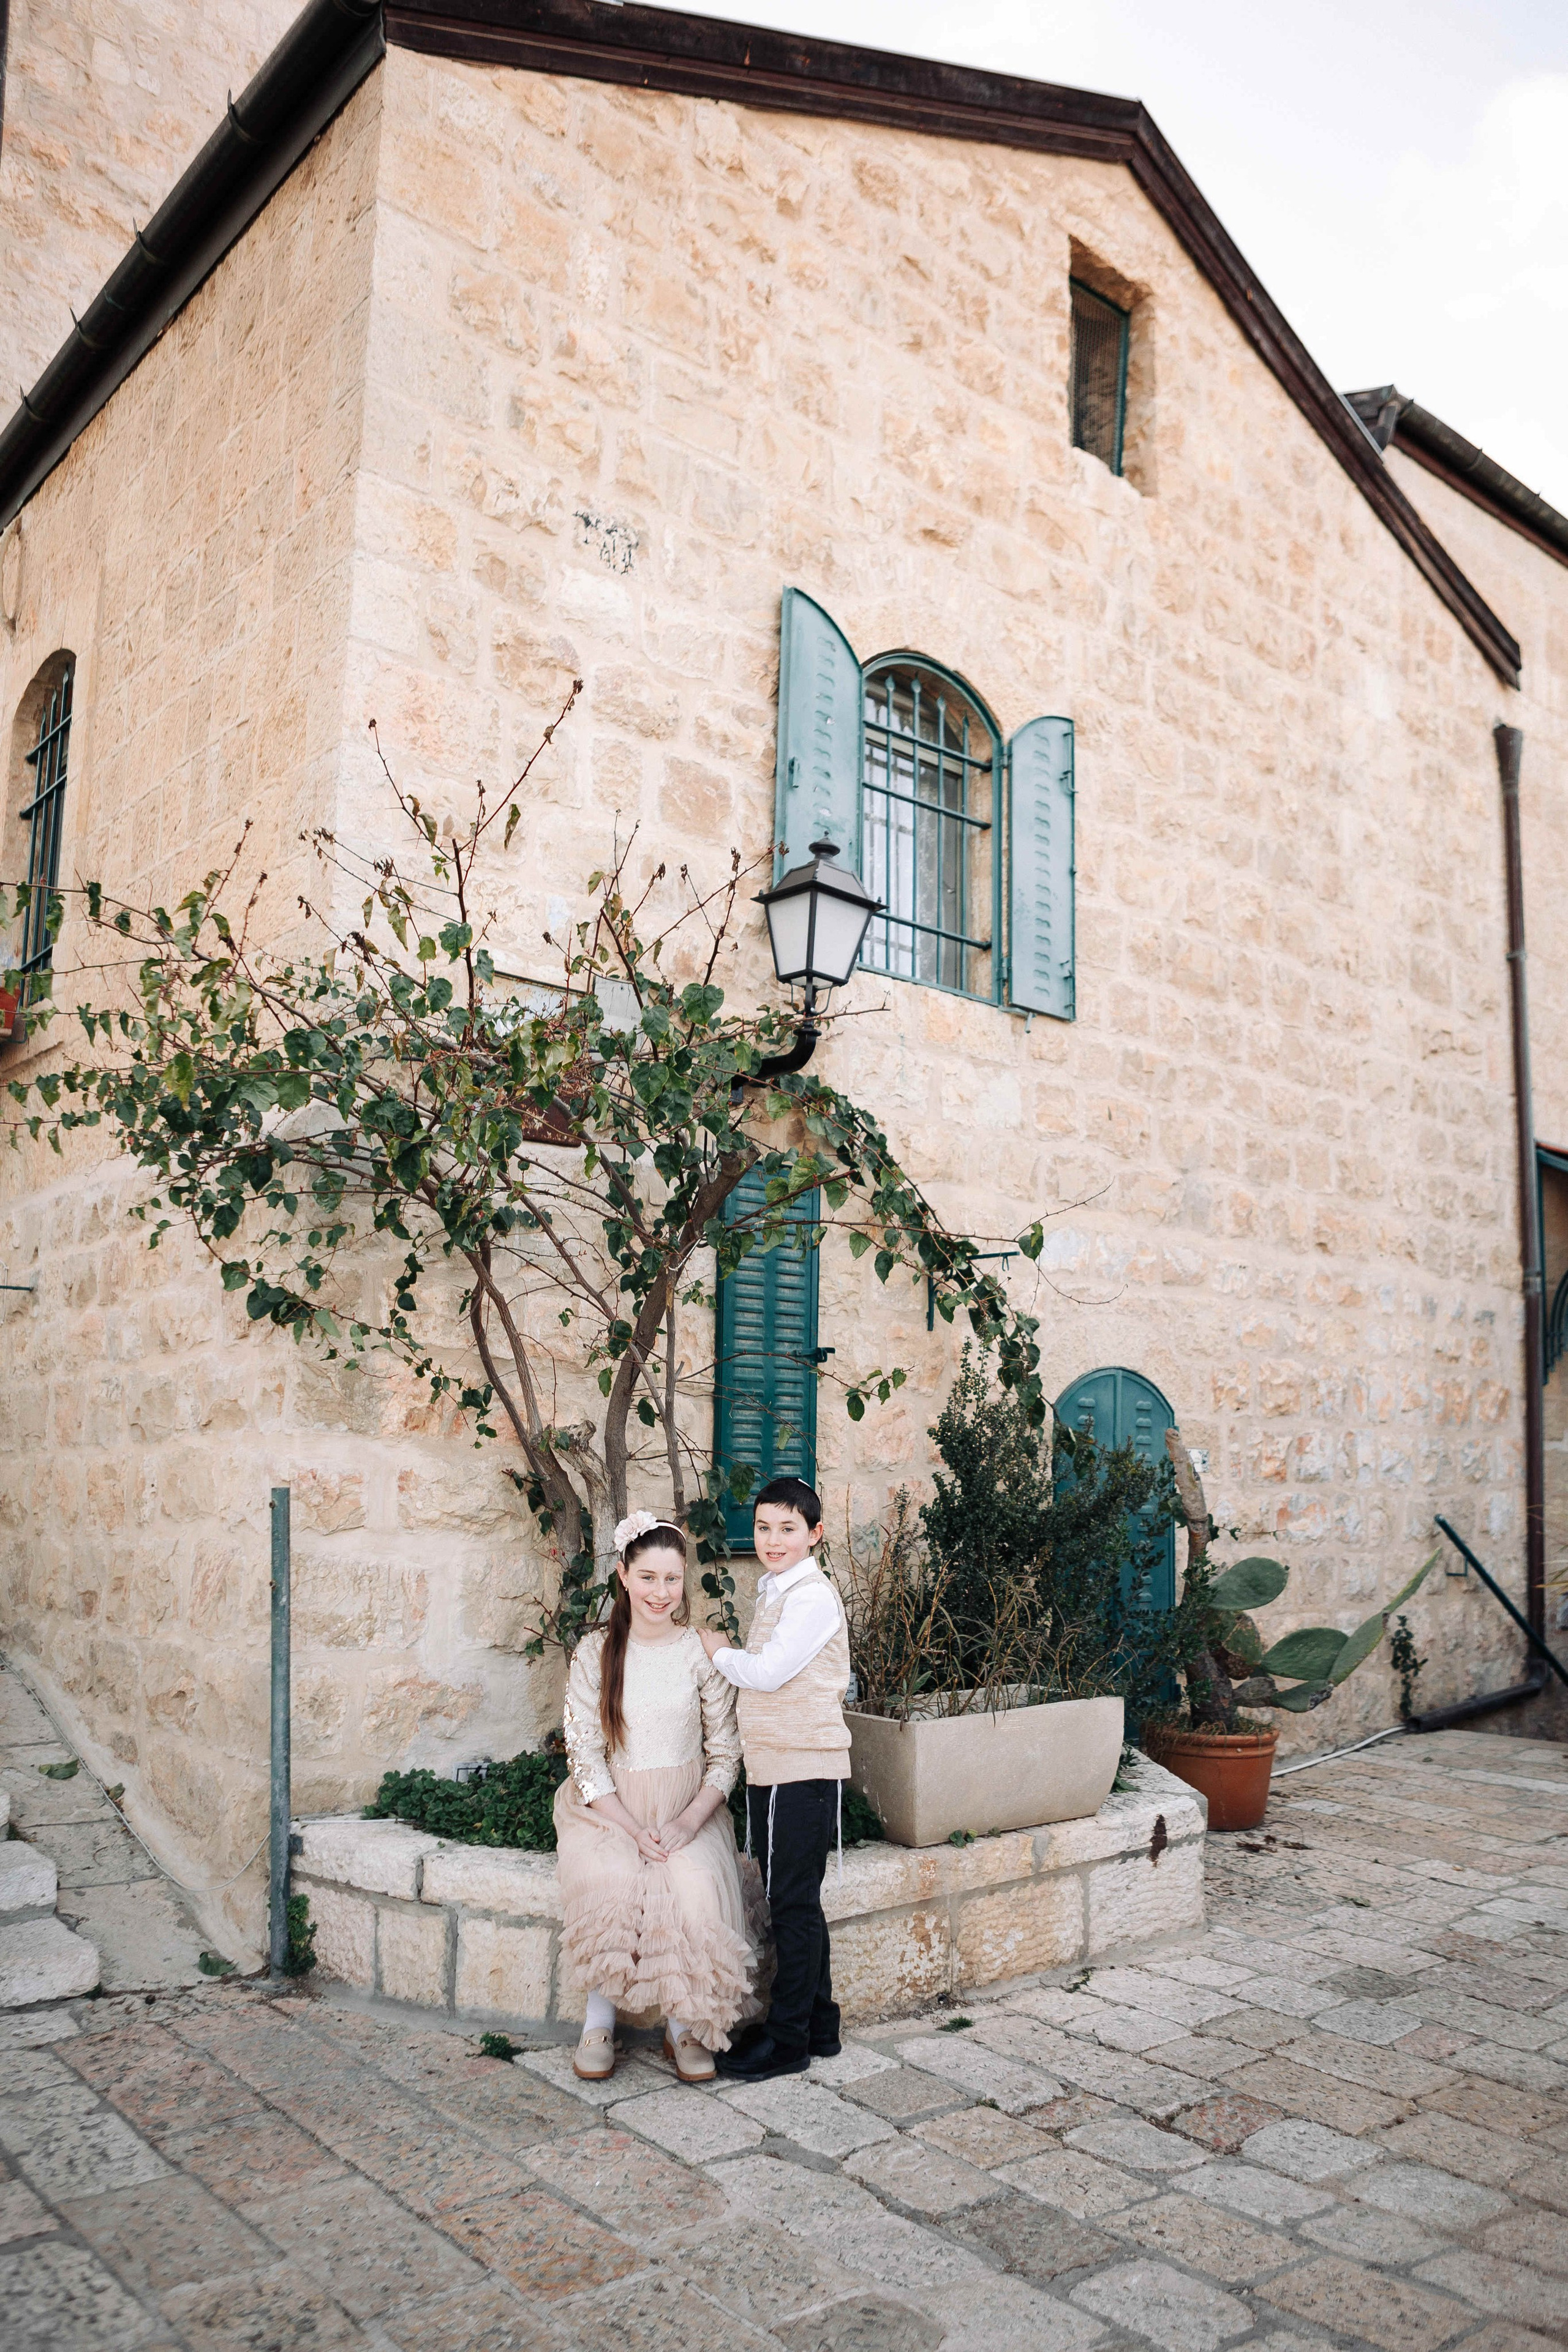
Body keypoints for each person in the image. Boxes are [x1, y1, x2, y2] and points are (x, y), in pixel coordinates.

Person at [554, 1512, 766, 2083]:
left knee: (692, 1888)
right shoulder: (597, 1652)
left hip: (686, 1810)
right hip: (609, 1811)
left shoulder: (699, 1652)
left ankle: (684, 2025)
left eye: (672, 1580)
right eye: (648, 1577)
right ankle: (599, 2022)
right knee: (612, 1883)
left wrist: (687, 1823)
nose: (660, 1592)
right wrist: (629, 1827)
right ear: (623, 1575)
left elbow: (726, 1754)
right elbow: (585, 1755)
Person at [697, 1474, 850, 2081]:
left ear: (814, 1534)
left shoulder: (810, 1595)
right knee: (795, 1902)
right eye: (763, 1527)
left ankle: (789, 2043)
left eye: (787, 1528)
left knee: (791, 1905)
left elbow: (768, 1672)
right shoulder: (779, 1591)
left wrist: (717, 1652)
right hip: (777, 1768)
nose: (772, 1538)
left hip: (803, 1770)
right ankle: (818, 2023)